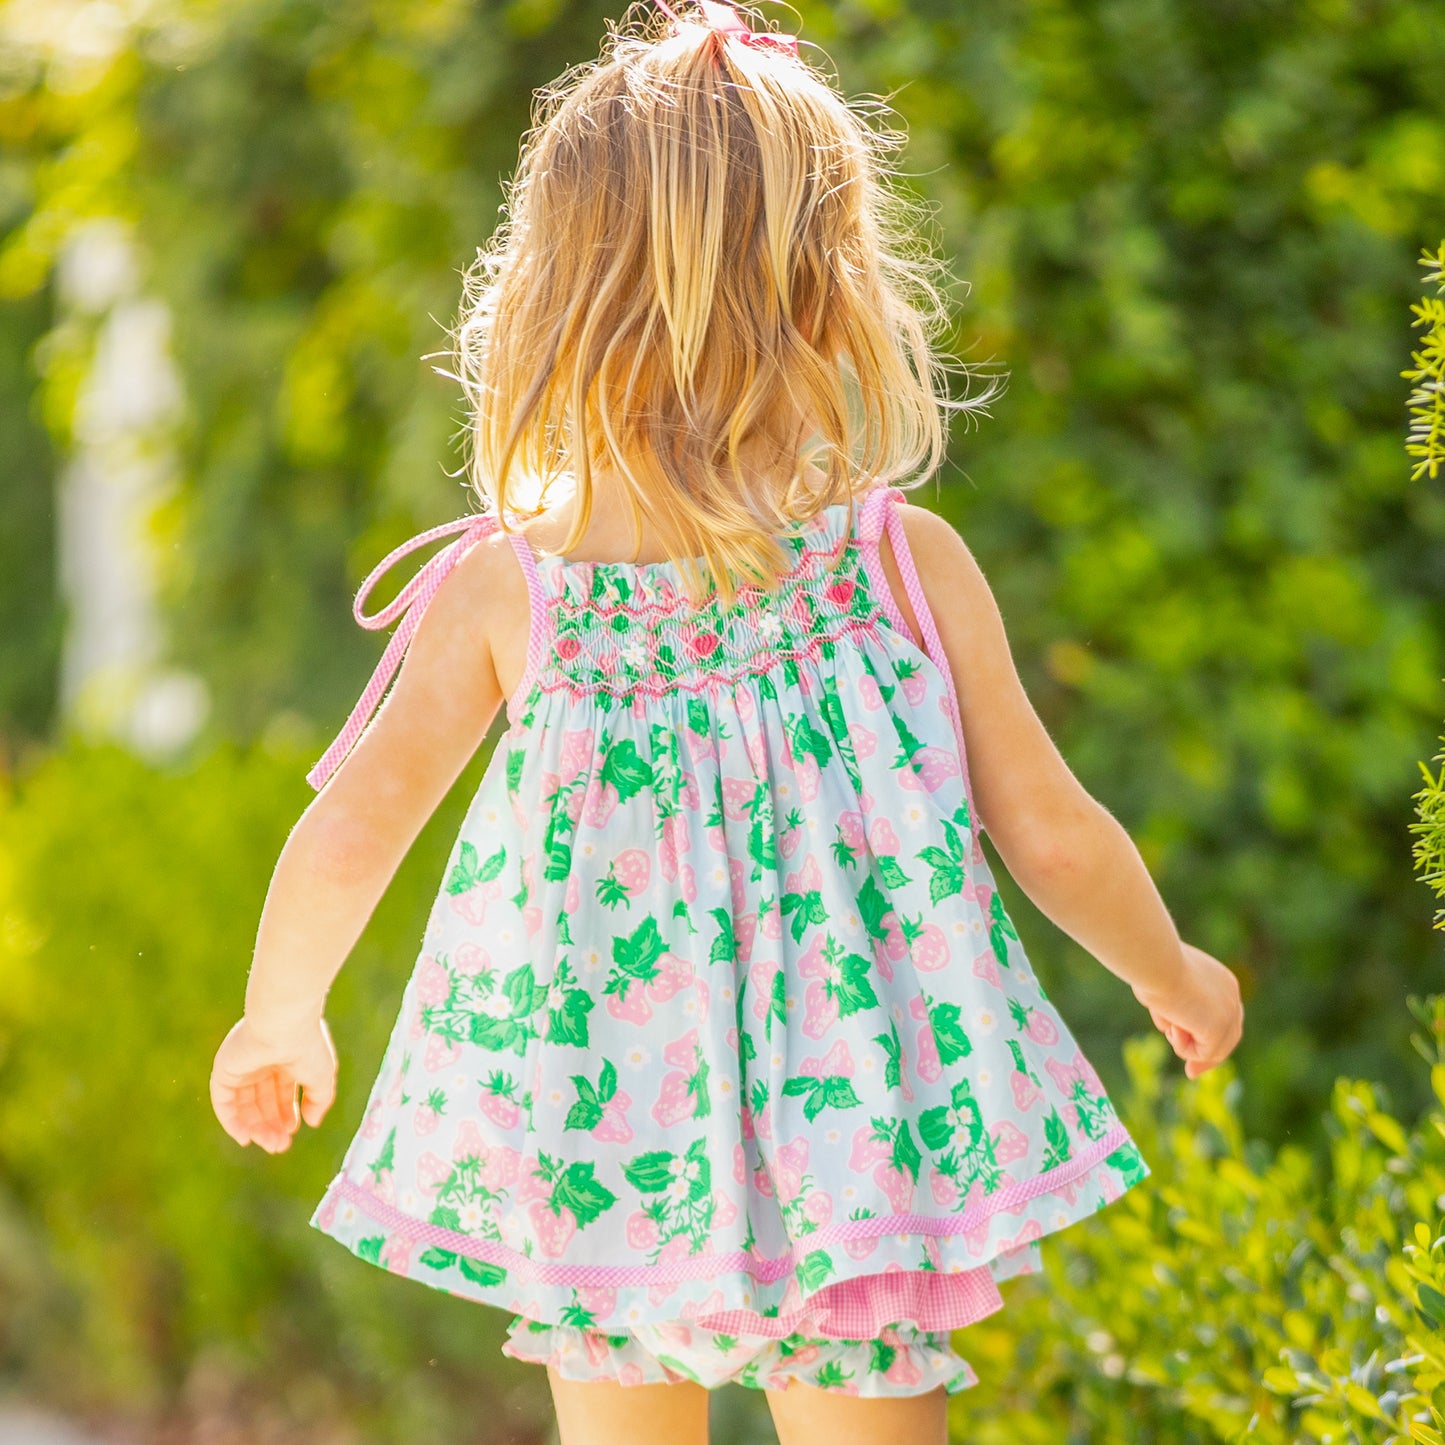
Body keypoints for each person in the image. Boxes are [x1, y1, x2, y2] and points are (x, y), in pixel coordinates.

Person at [209, 2, 1244, 1441]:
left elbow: (355, 826)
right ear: (832, 295)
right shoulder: (897, 562)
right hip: (856, 1133)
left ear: (549, 300)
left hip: (602, 1133)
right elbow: (1052, 835)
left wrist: (282, 1010)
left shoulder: (518, 593)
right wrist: (1169, 967)